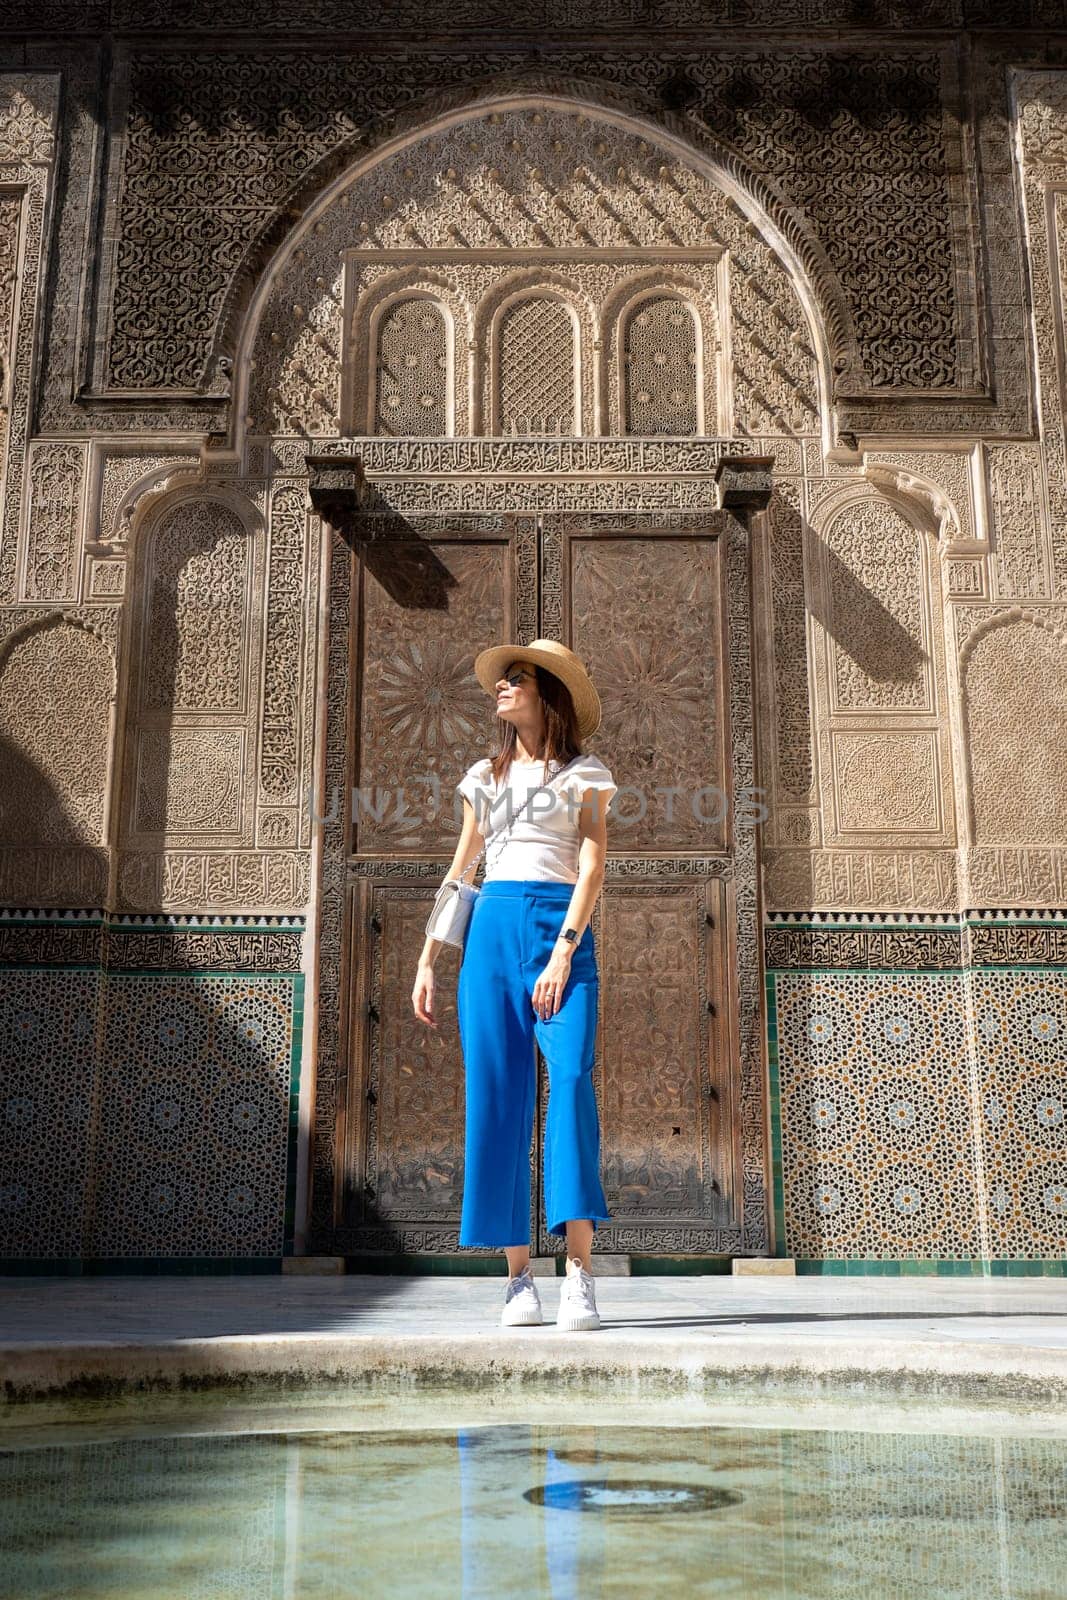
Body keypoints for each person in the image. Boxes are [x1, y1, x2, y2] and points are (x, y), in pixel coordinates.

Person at [412, 639, 617, 1332]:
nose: (500, 687)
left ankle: (580, 1276)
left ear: (547, 691)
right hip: (492, 936)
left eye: (515, 678)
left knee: (571, 1084)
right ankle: (517, 1279)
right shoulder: (484, 776)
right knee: (497, 1098)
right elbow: (462, 870)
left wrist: (564, 952)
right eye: (500, 679)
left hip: (559, 936)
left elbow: (590, 869)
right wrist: (428, 957)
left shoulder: (586, 773)